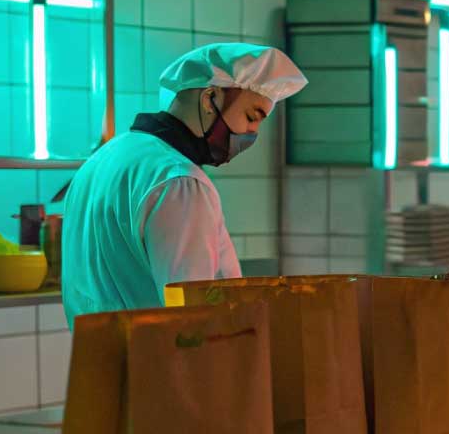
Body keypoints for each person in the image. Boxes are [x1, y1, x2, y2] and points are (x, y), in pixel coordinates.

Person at [61, 43, 307, 322]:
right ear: (209, 98)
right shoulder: (179, 183)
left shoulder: (102, 161)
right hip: (159, 362)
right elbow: (192, 315)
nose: (252, 132)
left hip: (96, 359)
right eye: (252, 116)